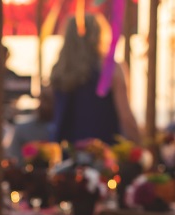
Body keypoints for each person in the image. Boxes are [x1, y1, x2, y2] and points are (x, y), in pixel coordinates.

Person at [49, 14, 140, 144]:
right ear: (99, 35)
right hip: (104, 151)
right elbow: (126, 118)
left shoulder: (59, 71)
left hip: (68, 151)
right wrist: (140, 147)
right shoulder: (110, 68)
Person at [7, 91, 55, 159]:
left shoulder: (63, 130)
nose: (46, 105)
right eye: (44, 100)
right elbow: (14, 157)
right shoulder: (23, 129)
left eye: (50, 101)